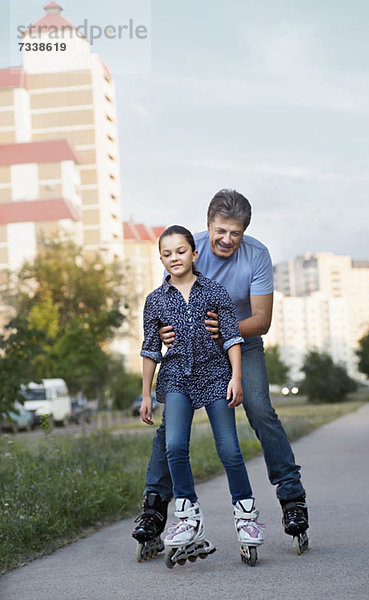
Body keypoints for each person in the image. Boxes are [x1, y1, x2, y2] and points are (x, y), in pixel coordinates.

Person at [133, 190, 308, 556]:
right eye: (220, 230)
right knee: (171, 429)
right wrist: (166, 332)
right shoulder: (185, 247)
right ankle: (154, 509)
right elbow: (165, 302)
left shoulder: (257, 255)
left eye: (235, 232)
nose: (227, 239)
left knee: (260, 409)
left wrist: (224, 330)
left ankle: (291, 496)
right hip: (190, 352)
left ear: (244, 231)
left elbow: (262, 320)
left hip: (242, 342)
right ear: (208, 225)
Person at [136, 224, 264, 566]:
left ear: (194, 254)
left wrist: (236, 377)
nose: (174, 258)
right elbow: (150, 349)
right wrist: (145, 394)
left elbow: (233, 338)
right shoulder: (155, 300)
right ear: (160, 259)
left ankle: (246, 517)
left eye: (180, 251)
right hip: (176, 377)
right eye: (166, 253)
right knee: (174, 445)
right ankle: (188, 516)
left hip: (215, 376)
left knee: (229, 449)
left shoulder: (214, 291)